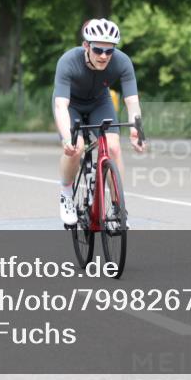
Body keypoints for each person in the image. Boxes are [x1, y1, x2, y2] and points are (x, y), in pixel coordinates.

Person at [52, 18, 145, 225]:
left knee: (113, 148)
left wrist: (137, 130)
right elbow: (60, 105)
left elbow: (132, 101)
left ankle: (117, 206)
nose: (103, 56)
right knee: (76, 148)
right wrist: (67, 138)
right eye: (98, 50)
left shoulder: (122, 62)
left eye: (109, 51)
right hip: (71, 105)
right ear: (86, 45)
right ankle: (66, 194)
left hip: (99, 103)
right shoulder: (68, 61)